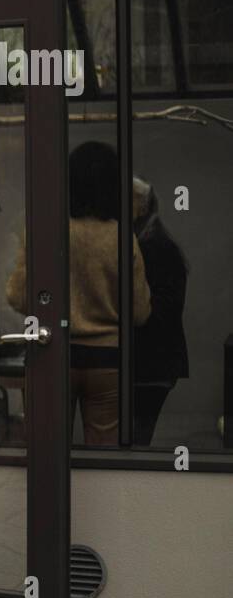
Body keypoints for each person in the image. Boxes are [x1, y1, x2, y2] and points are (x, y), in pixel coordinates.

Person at [6, 141, 151, 445]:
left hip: (52, 355)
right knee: (104, 455)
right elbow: (139, 312)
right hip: (108, 360)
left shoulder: (45, 230)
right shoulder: (122, 237)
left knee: (45, 451)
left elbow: (18, 296)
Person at [131, 177, 188, 445]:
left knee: (135, 437)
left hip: (150, 361)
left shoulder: (151, 246)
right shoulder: (152, 241)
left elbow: (158, 311)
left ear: (141, 207)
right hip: (155, 361)